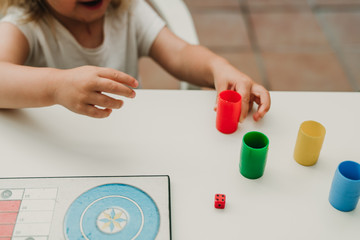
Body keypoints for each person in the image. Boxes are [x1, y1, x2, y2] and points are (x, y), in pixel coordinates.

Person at [0, 0, 270, 122]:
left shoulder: (127, 10)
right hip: (55, 146)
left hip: (125, 142)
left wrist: (218, 67)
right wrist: (56, 86)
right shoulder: (25, 23)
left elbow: (178, 53)